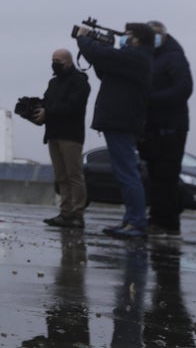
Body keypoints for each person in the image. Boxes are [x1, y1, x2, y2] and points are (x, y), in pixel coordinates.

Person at [76, 21, 154, 238]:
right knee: (124, 174)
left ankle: (137, 222)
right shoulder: (133, 58)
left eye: (128, 34)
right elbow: (105, 69)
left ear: (137, 38)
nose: (125, 37)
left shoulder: (137, 57)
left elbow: (103, 56)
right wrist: (101, 47)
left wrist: (83, 38)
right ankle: (130, 221)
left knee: (128, 174)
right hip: (120, 120)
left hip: (122, 120)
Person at [142, 20, 193, 237]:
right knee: (155, 176)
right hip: (152, 126)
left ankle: (168, 223)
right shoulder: (150, 57)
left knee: (166, 176)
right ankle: (158, 219)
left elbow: (183, 89)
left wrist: (149, 99)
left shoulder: (174, 57)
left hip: (171, 127)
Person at [33, 48, 91, 228]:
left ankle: (77, 213)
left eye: (58, 60)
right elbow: (46, 102)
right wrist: (34, 107)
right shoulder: (54, 83)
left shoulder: (80, 81)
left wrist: (48, 111)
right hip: (54, 134)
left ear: (68, 61)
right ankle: (65, 212)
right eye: (53, 59)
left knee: (74, 175)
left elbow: (73, 106)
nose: (55, 63)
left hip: (71, 135)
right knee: (61, 176)